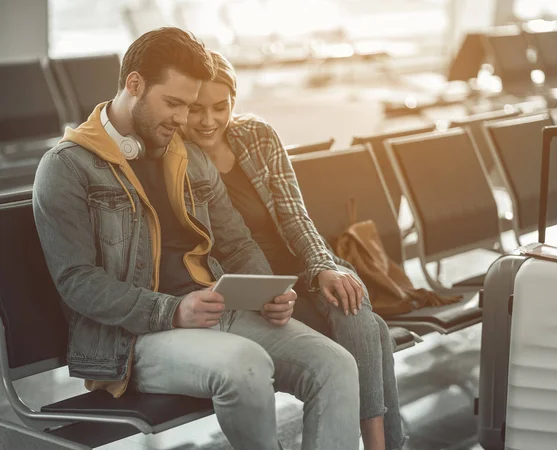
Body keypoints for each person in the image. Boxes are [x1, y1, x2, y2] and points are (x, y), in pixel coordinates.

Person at [32, 27, 360, 450]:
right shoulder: (67, 167)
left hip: (211, 313)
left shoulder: (188, 156)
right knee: (244, 364)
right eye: (173, 103)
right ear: (134, 84)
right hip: (133, 341)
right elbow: (77, 280)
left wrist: (265, 290)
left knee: (335, 364)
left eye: (187, 105)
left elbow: (237, 242)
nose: (183, 119)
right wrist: (173, 311)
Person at [180, 50, 408, 450]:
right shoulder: (179, 159)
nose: (208, 120)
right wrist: (263, 292)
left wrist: (323, 266)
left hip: (302, 271)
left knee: (351, 301)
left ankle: (376, 445)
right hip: (253, 291)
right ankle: (383, 445)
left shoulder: (257, 136)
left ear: (234, 100)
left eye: (221, 107)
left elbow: (296, 217)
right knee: (371, 329)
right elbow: (210, 251)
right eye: (196, 109)